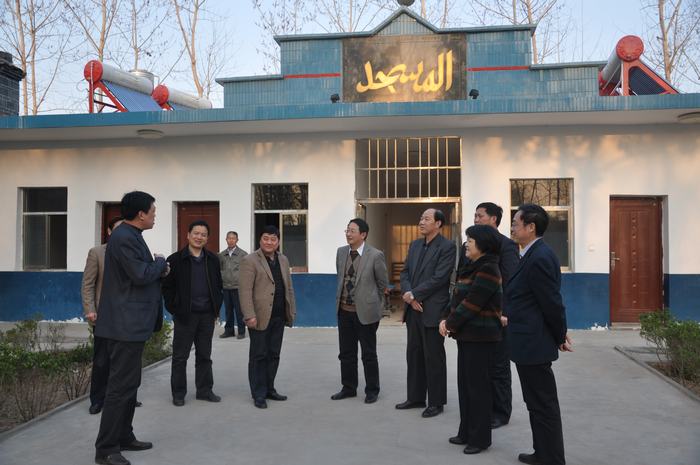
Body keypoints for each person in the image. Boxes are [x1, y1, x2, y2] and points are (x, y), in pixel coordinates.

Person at [94, 191, 168, 465]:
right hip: (124, 325)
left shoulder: (131, 235)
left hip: (131, 325)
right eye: (153, 211)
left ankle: (124, 435)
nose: (155, 216)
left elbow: (139, 272)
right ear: (141, 214)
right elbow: (140, 274)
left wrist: (157, 268)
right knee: (118, 388)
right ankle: (106, 449)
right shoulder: (124, 237)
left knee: (129, 385)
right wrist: (160, 263)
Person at [507, 204, 573, 465]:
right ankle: (542, 453)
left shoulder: (540, 257)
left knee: (543, 405)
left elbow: (552, 303)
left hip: (535, 343)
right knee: (535, 403)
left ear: (531, 227)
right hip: (527, 343)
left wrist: (560, 335)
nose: (512, 227)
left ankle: (553, 459)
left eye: (515, 223)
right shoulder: (529, 254)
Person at [440, 224, 503, 455]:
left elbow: (472, 303)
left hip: (481, 337)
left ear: (483, 245)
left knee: (478, 389)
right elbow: (457, 297)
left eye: (471, 240)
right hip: (468, 336)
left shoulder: (489, 269)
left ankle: (480, 438)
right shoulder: (471, 266)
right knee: (466, 386)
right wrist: (446, 317)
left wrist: (450, 323)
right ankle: (466, 432)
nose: (466, 244)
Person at [396, 208, 455, 418]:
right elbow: (405, 273)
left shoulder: (447, 247)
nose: (421, 222)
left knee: (434, 357)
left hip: (433, 309)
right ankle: (415, 397)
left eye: (426, 219)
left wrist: (414, 294)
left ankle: (436, 402)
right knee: (414, 354)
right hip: (414, 309)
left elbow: (440, 278)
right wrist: (410, 297)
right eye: (421, 218)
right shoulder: (415, 245)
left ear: (438, 224)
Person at [163, 220, 224, 407]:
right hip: (185, 316)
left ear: (207, 238)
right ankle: (178, 393)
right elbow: (167, 288)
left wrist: (216, 308)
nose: (199, 237)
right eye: (196, 233)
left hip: (206, 315)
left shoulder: (212, 259)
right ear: (188, 235)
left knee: (205, 355)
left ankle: (204, 390)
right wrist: (175, 308)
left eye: (203, 234)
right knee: (180, 357)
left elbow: (218, 285)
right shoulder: (175, 260)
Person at [331, 218, 389, 404]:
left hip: (366, 313)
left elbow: (382, 284)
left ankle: (372, 390)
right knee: (346, 353)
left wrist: (376, 307)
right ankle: (348, 388)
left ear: (363, 234)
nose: (348, 234)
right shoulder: (341, 252)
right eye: (347, 230)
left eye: (352, 231)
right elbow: (341, 277)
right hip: (344, 311)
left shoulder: (375, 255)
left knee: (368, 354)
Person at [239, 225, 296, 409]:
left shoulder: (283, 259)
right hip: (259, 316)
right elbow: (245, 291)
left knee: (274, 354)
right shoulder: (249, 260)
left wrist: (291, 311)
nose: (269, 242)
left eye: (273, 239)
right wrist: (249, 315)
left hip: (279, 315)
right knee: (259, 355)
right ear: (260, 239)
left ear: (278, 241)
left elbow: (288, 287)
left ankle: (270, 388)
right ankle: (258, 393)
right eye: (266, 238)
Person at [473, 202, 519, 429]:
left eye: (480, 216)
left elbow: (510, 282)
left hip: (497, 316)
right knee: (480, 366)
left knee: (499, 366)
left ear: (493, 219)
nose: (476, 219)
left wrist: (504, 312)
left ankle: (501, 412)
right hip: (475, 315)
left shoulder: (506, 246)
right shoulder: (473, 245)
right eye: (474, 215)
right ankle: (483, 407)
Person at [81, 216, 123, 415]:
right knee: (102, 360)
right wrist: (90, 309)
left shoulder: (132, 252)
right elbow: (88, 284)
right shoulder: (97, 253)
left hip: (127, 316)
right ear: (109, 231)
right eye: (117, 229)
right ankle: (98, 399)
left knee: (124, 361)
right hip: (104, 316)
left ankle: (124, 397)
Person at [219, 231, 248, 339]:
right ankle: (229, 331)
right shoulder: (221, 255)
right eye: (229, 238)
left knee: (239, 311)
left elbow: (247, 271)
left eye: (233, 238)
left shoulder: (243, 254)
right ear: (226, 239)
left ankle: (241, 331)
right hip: (226, 287)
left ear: (237, 240)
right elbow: (220, 270)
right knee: (228, 311)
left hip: (238, 287)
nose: (231, 240)